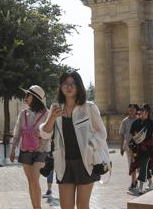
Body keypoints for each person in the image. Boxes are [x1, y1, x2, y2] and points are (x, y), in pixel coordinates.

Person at [40, 71, 107, 209]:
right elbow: (45, 134)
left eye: (72, 84)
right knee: (66, 206)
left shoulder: (89, 107)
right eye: (65, 83)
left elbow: (102, 133)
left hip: (86, 162)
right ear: (61, 87)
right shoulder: (56, 107)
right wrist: (52, 117)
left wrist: (90, 144)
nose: (69, 87)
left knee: (82, 205)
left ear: (79, 86)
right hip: (63, 163)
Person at [9, 85, 50, 209]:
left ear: (35, 97)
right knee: (31, 181)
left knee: (34, 179)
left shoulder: (47, 114)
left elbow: (51, 133)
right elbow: (17, 132)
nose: (25, 97)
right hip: (25, 150)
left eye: (28, 95)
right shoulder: (23, 113)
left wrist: (42, 133)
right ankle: (35, 207)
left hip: (41, 151)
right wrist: (12, 149)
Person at [129, 104, 153, 195]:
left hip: (148, 148)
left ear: (148, 112)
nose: (142, 112)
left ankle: (141, 187)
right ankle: (151, 183)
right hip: (138, 148)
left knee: (144, 165)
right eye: (141, 110)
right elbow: (133, 137)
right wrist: (132, 150)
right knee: (142, 166)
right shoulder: (135, 122)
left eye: (144, 110)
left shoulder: (151, 123)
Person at [119, 104, 139, 192]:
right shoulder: (124, 121)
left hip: (139, 147)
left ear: (136, 110)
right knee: (132, 165)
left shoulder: (139, 120)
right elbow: (122, 134)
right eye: (129, 109)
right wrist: (121, 147)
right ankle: (133, 182)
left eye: (132, 109)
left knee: (139, 165)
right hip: (129, 147)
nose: (131, 111)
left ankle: (136, 180)